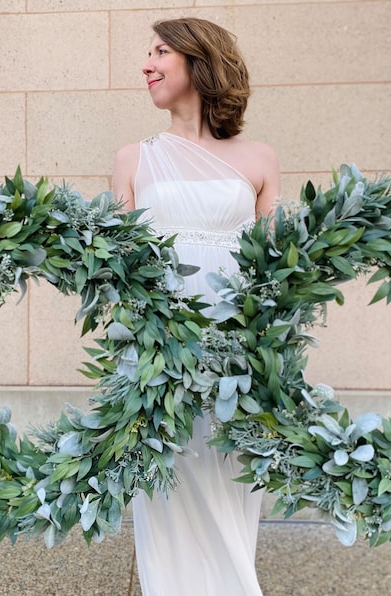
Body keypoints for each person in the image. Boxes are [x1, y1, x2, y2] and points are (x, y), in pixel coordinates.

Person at [112, 17, 281, 596]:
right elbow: (123, 271)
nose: (147, 64)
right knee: (169, 493)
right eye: (148, 53)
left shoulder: (258, 158)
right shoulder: (132, 159)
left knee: (230, 496)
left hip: (239, 360)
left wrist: (271, 356)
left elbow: (276, 274)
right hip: (163, 362)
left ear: (199, 62)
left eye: (161, 52)